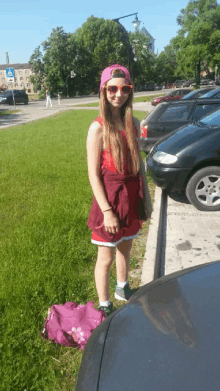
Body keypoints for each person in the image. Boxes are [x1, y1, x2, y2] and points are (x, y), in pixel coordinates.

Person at [87, 64, 152, 316]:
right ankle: (104, 305)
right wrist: (107, 211)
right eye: (112, 88)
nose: (119, 94)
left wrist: (145, 196)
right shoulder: (98, 128)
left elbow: (139, 165)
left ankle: (122, 288)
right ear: (103, 91)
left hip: (131, 193)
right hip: (111, 198)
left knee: (127, 246)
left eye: (125, 88)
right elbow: (93, 174)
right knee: (106, 257)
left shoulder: (133, 123)